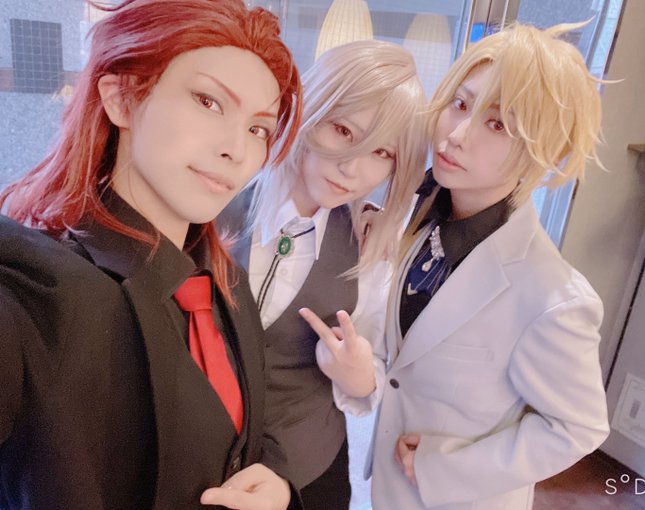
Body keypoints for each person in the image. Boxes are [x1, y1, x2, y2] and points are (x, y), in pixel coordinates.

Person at [0, 0, 303, 509]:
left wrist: (277, 489)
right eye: (208, 102)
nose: (237, 150)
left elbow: (248, 435)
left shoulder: (227, 285)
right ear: (121, 98)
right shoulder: (34, 295)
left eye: (258, 129)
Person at [304, 22, 611, 510]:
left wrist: (447, 467)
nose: (457, 135)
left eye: (498, 125)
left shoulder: (553, 298)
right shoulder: (418, 222)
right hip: (381, 491)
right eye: (461, 104)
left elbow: (580, 427)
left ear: (544, 150)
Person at [218, 39, 427, 510]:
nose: (353, 167)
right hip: (200, 454)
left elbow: (373, 369)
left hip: (307, 471)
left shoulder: (372, 250)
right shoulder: (214, 203)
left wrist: (358, 376)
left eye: (382, 153)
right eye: (343, 129)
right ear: (311, 109)